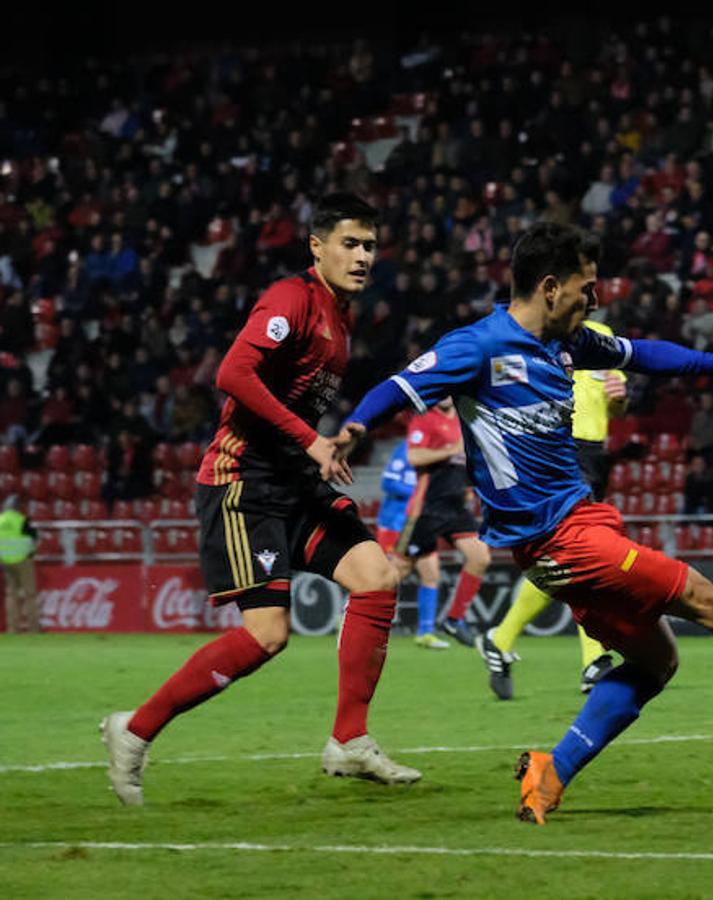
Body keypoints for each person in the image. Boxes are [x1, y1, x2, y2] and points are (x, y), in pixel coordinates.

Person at [335, 222, 713, 826]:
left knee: (657, 662)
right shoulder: (477, 346)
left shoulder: (569, 342)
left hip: (580, 528)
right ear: (552, 287)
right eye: (588, 288)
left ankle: (549, 773)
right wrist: (353, 428)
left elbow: (641, 354)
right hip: (561, 539)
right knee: (708, 601)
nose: (596, 298)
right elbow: (400, 385)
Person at [100, 194, 417, 807]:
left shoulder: (339, 314)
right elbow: (233, 375)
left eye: (370, 246)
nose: (361, 256)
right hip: (242, 483)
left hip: (292, 481)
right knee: (267, 635)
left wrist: (335, 439)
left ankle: (349, 740)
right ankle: (134, 731)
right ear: (316, 246)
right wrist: (311, 440)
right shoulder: (291, 299)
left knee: (376, 576)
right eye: (349, 243)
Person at [476, 318, 624, 699]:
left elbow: (615, 406)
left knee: (565, 557)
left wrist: (619, 398)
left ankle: (501, 639)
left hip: (595, 451)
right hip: (559, 446)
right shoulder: (534, 331)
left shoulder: (601, 334)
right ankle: (594, 659)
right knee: (582, 551)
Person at [399, 396, 492, 647]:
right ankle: (361, 602)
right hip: (427, 507)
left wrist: (471, 486)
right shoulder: (425, 419)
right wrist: (451, 449)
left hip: (456, 508)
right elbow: (414, 456)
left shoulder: (464, 421)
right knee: (400, 571)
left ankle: (454, 619)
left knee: (480, 556)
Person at [374, 440, 449, 650]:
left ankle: (425, 633)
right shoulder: (407, 448)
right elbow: (388, 482)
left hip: (420, 524)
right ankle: (356, 617)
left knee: (431, 573)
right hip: (395, 524)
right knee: (388, 578)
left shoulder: (440, 454)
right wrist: (420, 493)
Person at [0, 495, 39, 633]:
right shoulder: (22, 520)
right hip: (22, 560)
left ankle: (13, 628)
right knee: (30, 594)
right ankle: (33, 628)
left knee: (11, 595)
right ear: (17, 507)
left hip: (5, 561)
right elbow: (34, 538)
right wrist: (31, 553)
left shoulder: (0, 520)